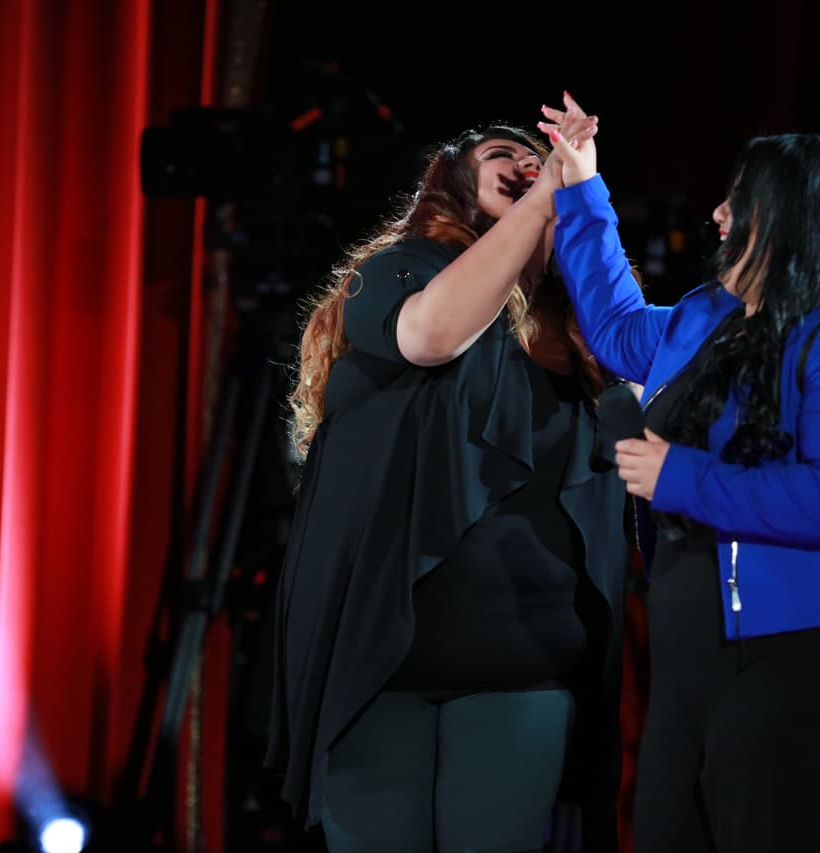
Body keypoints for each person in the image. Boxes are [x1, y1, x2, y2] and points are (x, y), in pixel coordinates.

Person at [538, 96, 820, 852]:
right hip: (694, 660)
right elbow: (617, 330)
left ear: (794, 218)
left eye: (738, 200)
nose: (718, 214)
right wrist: (583, 187)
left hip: (808, 660)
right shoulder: (704, 316)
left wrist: (678, 475)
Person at [265, 123, 632, 853]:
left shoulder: (591, 332)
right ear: (455, 185)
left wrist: (586, 210)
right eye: (505, 156)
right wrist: (540, 203)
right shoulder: (397, 273)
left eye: (540, 157)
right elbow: (432, 335)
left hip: (522, 670)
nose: (531, 164)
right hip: (382, 666)